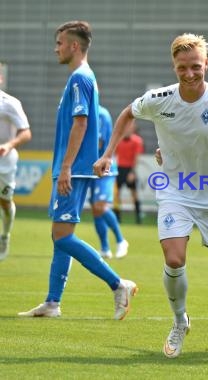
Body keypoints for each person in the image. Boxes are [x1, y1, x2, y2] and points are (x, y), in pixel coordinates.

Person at [93, 33, 208, 360]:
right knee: (174, 259)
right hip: (175, 191)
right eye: (182, 67)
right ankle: (179, 321)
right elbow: (128, 113)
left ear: (206, 65)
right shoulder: (158, 98)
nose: (189, 73)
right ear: (174, 66)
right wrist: (108, 154)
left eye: (196, 67)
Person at [18, 21, 137, 319]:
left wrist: (68, 166)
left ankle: (118, 283)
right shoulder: (80, 78)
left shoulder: (80, 78)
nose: (55, 48)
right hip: (72, 167)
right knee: (60, 233)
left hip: (74, 168)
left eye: (59, 42)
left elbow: (81, 123)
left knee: (62, 235)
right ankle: (52, 302)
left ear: (73, 45)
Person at [0, 62, 32, 261]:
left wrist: (9, 145)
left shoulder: (9, 103)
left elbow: (26, 132)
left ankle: (5, 235)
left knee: (4, 202)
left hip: (4, 162)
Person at [89, 105, 129, 259]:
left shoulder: (101, 114)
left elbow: (100, 142)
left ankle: (121, 240)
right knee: (95, 209)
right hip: (91, 167)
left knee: (100, 206)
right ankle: (105, 248)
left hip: (105, 167)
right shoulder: (82, 112)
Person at [114, 119, 144, 224]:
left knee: (134, 194)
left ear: (134, 128)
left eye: (130, 126)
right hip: (119, 169)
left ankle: (138, 218)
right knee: (116, 194)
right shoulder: (118, 139)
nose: (128, 128)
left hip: (130, 169)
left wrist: (132, 172)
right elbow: (115, 154)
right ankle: (117, 218)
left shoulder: (137, 141)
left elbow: (136, 158)